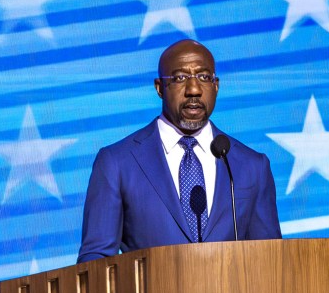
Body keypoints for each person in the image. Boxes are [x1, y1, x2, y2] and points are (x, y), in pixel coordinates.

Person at [77, 39, 282, 262]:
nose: (193, 90)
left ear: (216, 86)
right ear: (159, 88)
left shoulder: (251, 166)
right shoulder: (117, 163)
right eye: (180, 78)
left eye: (204, 77)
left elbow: (270, 260)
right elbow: (95, 262)